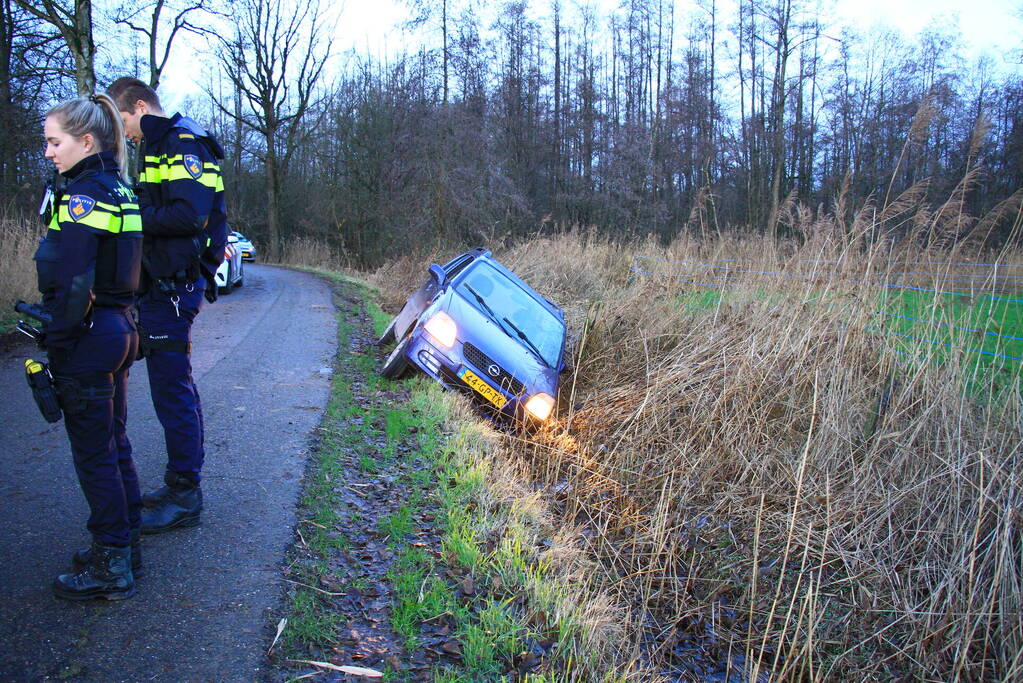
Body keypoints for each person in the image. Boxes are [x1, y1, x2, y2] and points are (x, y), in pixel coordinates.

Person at [105, 77, 228, 534]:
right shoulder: (156, 145)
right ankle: (181, 484)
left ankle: (184, 494)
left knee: (171, 389)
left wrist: (123, 213)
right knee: (173, 387)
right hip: (160, 284)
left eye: (124, 122)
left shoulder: (180, 143)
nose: (125, 134)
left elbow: (187, 215)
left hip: (174, 288)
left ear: (140, 106)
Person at [39, 94, 143, 600]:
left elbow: (74, 281)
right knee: (114, 443)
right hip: (120, 330)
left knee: (95, 454)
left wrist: (57, 341)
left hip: (90, 337)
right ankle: (125, 546)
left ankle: (111, 564)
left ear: (85, 140)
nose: (48, 153)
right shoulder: (121, 189)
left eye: (54, 142)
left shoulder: (82, 195)